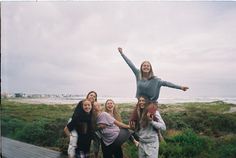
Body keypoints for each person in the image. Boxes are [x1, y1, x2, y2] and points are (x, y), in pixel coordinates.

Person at [117, 47, 189, 104]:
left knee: (153, 121)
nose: (146, 67)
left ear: (150, 68)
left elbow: (167, 83)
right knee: (135, 120)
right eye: (144, 65)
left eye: (148, 66)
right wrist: (122, 54)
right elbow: (130, 64)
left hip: (152, 104)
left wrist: (180, 87)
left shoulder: (156, 80)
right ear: (141, 67)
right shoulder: (138, 74)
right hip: (140, 103)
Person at [64, 91, 100, 158]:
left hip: (86, 144)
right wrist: (71, 138)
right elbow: (68, 127)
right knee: (73, 142)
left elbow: (94, 120)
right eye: (91, 95)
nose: (92, 97)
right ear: (87, 96)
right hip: (75, 124)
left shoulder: (92, 109)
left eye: (94, 96)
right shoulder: (81, 107)